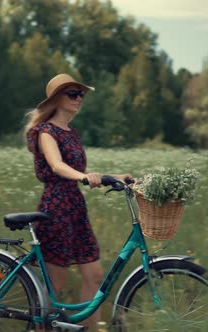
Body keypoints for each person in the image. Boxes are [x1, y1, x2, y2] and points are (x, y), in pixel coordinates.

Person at [25, 73, 131, 329]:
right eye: (72, 94)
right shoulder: (45, 131)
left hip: (75, 206)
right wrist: (84, 177)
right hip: (56, 207)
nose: (79, 98)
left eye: (80, 94)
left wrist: (116, 177)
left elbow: (81, 171)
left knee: (94, 276)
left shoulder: (72, 133)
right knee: (55, 284)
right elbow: (57, 165)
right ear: (57, 99)